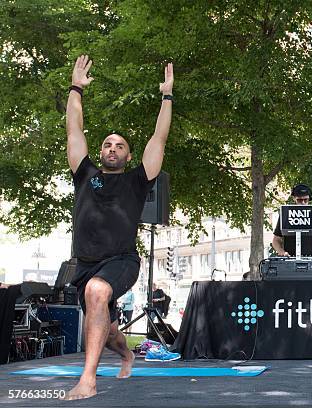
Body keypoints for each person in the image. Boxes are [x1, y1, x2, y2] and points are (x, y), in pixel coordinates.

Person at [64, 55, 173, 400]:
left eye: (120, 145)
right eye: (108, 144)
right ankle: (126, 354)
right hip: (85, 264)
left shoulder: (138, 181)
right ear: (100, 152)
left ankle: (88, 380)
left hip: (122, 261)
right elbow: (73, 128)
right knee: (107, 331)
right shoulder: (85, 174)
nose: (113, 149)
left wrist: (167, 96)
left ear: (129, 155)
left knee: (97, 291)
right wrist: (76, 88)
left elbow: (159, 137)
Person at [272, 184, 312, 257]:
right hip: (289, 259)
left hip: (311, 259)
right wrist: (282, 252)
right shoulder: (286, 214)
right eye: (300, 200)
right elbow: (276, 240)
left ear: (309, 199)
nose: (303, 202)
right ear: (294, 199)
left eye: (306, 200)